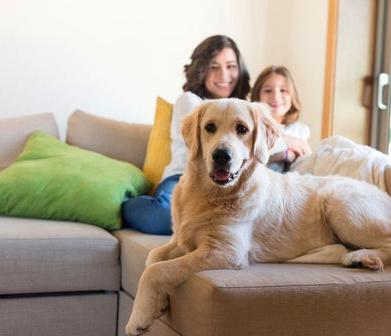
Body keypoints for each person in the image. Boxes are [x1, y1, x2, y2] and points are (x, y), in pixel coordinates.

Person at [122, 35, 251, 235]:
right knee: (167, 215)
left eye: (231, 66)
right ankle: (122, 206)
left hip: (227, 181)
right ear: (201, 69)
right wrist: (286, 145)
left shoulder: (246, 111)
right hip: (182, 177)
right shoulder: (190, 101)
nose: (224, 75)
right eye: (214, 66)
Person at [251, 65, 311, 172]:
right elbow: (250, 159)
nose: (275, 96)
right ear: (257, 96)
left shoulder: (299, 130)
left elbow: (306, 162)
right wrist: (284, 155)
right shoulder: (252, 128)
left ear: (293, 96)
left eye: (283, 90)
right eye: (268, 90)